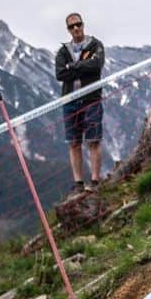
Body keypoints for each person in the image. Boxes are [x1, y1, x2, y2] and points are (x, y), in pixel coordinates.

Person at [55, 13, 105, 194]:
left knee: (94, 140)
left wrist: (73, 67)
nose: (76, 28)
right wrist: (84, 66)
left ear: (83, 25)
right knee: (73, 142)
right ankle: (78, 183)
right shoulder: (63, 51)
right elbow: (60, 74)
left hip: (91, 98)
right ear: (68, 30)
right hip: (70, 100)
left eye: (78, 24)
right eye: (72, 26)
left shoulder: (96, 45)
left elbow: (97, 65)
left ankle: (95, 180)